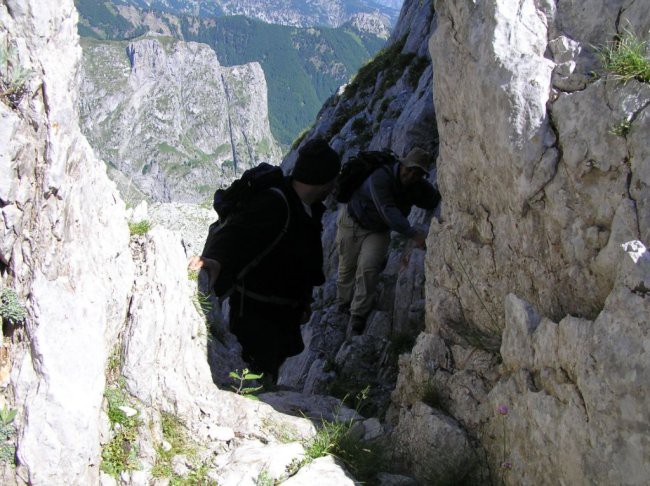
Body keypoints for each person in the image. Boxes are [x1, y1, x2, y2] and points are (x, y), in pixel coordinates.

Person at [188, 139, 341, 381]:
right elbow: (236, 234)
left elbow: (302, 261)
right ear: (324, 180)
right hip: (255, 319)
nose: (335, 185)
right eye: (333, 178)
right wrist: (215, 261)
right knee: (254, 377)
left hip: (282, 316)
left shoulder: (308, 208)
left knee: (268, 374)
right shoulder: (275, 204)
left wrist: (304, 301)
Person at [335, 147, 441, 335]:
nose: (410, 175)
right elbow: (388, 211)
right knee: (347, 267)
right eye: (408, 169)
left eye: (416, 173)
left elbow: (434, 200)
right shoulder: (380, 178)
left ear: (421, 176)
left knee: (368, 267)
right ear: (401, 165)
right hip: (352, 222)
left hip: (377, 230)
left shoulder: (416, 187)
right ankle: (343, 302)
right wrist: (412, 233)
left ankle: (358, 314)